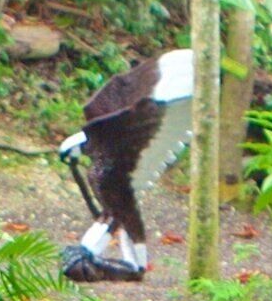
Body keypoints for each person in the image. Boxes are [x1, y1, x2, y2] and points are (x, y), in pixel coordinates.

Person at [53, 48, 194, 282]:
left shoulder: (110, 161)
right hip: (119, 189)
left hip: (125, 179)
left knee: (121, 216)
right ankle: (127, 262)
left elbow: (113, 214)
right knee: (117, 216)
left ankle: (131, 263)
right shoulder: (101, 166)